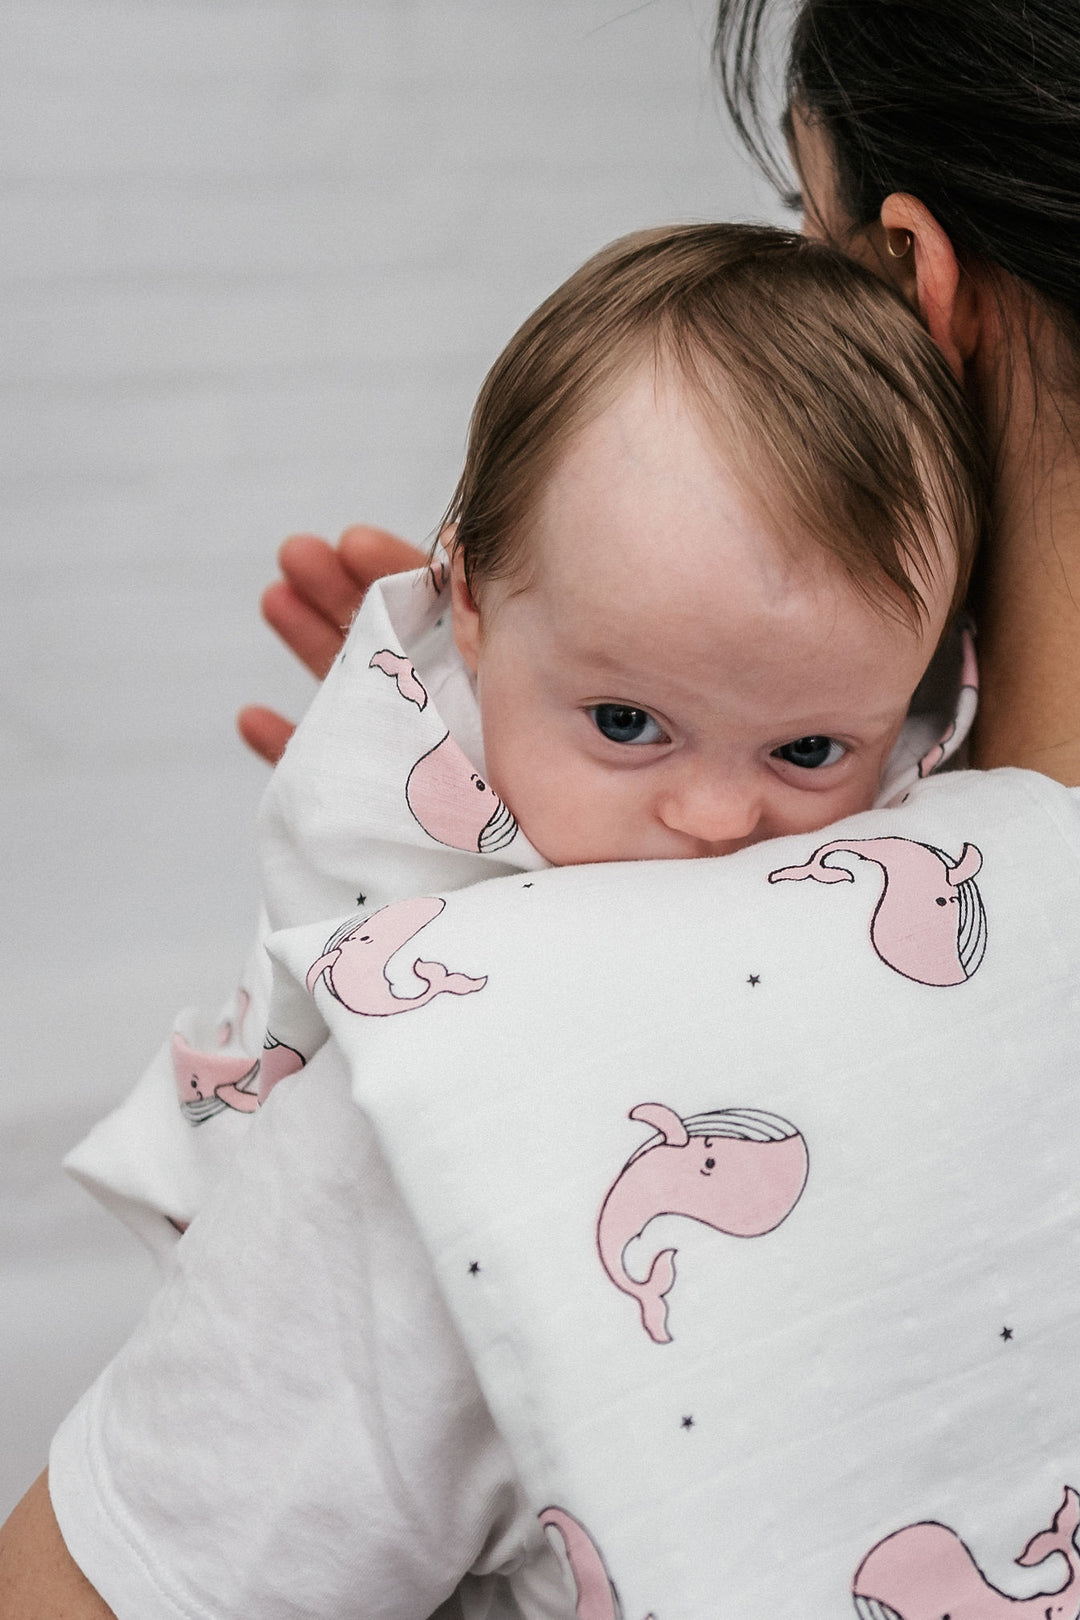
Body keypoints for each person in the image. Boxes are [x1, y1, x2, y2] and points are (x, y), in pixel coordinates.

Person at [7, 1, 1080, 1615]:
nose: (716, 826)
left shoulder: (462, 1102)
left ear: (914, 291)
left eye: (812, 235)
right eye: (633, 721)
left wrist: (458, 966)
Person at [63, 221, 983, 1248]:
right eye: (628, 724)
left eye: (809, 751)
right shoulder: (389, 825)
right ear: (472, 608)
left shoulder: (940, 810)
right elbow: (300, 1060)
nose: (720, 819)